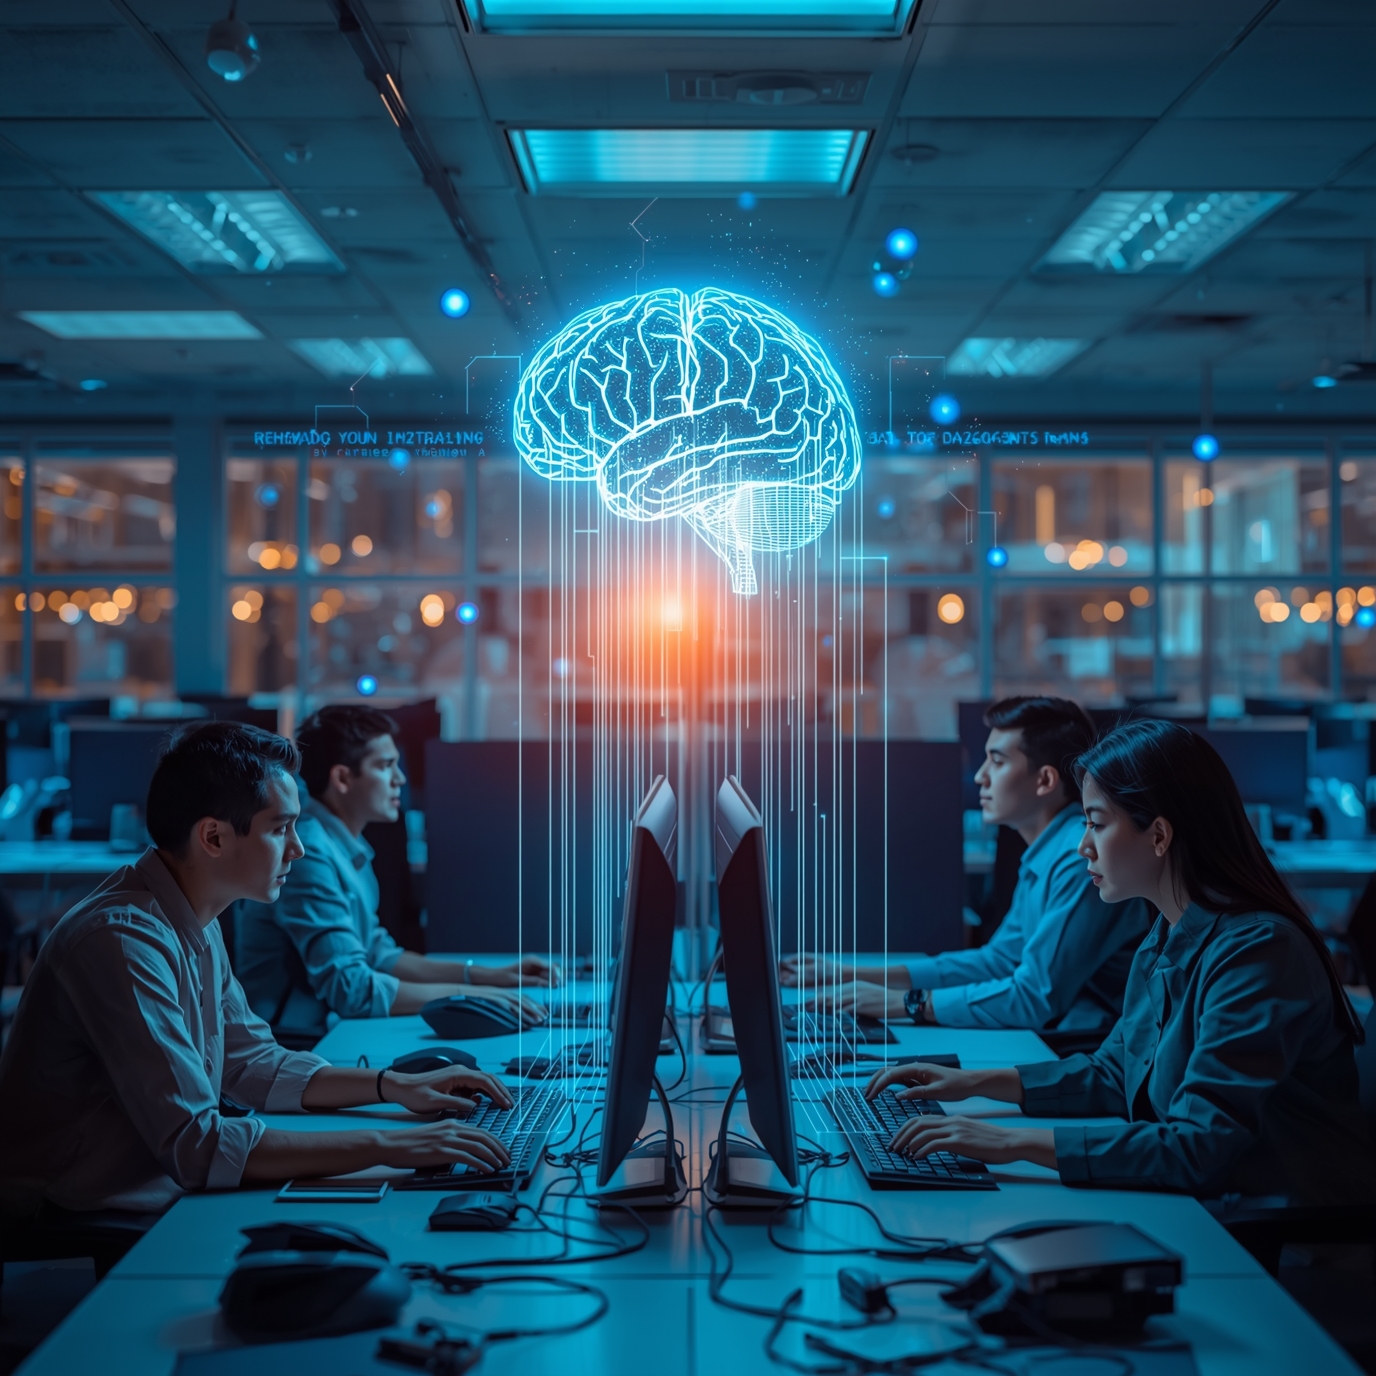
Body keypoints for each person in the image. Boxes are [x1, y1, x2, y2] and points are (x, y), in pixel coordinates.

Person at [0, 723, 513, 1217]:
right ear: (214, 838)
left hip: (150, 1181)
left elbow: (251, 1065)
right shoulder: (120, 940)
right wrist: (394, 1144)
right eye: (281, 828)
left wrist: (391, 1086)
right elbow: (197, 1146)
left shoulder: (191, 914)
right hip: (76, 1198)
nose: (299, 848)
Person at [863, 718, 1375, 1205]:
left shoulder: (1258, 952)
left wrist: (1008, 1141)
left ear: (1158, 836)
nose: (1083, 847)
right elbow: (1114, 1074)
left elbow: (1199, 1148)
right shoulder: (1167, 933)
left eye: (1097, 824)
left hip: (1274, 1225)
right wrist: (971, 1084)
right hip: (1211, 1204)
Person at [782, 697, 1152, 1032]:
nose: (980, 776)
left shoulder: (1076, 858)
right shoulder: (1048, 851)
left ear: (1044, 780)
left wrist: (906, 1003)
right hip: (1060, 1036)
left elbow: (1034, 998)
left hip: (1088, 1049)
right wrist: (849, 974)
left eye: (998, 761)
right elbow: (999, 961)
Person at [236, 705, 556, 1043]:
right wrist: (466, 995)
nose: (400, 779)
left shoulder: (346, 846)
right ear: (343, 778)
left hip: (330, 1031)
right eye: (385, 766)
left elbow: (379, 955)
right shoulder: (309, 853)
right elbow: (352, 989)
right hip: (294, 1041)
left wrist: (488, 977)